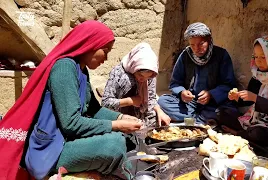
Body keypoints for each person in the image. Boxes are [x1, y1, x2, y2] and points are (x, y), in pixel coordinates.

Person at [0, 20, 141, 180]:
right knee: (113, 146)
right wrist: (116, 125)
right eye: (105, 50)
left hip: (66, 140)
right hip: (50, 149)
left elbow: (94, 109)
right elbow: (71, 123)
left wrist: (120, 117)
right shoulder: (64, 68)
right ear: (90, 44)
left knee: (126, 139)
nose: (106, 58)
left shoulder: (82, 70)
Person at [158, 22, 237, 124]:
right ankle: (201, 119)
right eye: (192, 45)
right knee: (162, 101)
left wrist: (211, 94)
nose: (196, 48)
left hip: (213, 103)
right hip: (190, 103)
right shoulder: (185, 55)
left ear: (209, 40)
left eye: (201, 44)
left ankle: (192, 118)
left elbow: (229, 85)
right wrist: (182, 92)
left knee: (230, 112)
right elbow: (175, 82)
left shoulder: (221, 55)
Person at [102, 42, 171, 127]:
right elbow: (105, 103)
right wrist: (129, 101)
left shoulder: (151, 74)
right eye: (140, 75)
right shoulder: (119, 74)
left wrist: (160, 111)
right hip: (119, 115)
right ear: (133, 67)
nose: (143, 80)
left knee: (160, 121)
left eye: (147, 77)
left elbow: (151, 99)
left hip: (141, 114)